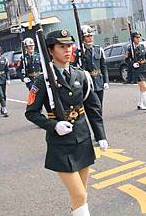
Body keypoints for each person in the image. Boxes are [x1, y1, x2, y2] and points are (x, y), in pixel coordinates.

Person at [25, 29, 108, 216]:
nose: (67, 50)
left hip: (82, 139)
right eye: (61, 47)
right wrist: (53, 125)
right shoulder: (43, 80)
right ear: (50, 51)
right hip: (61, 144)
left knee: (81, 195)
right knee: (79, 194)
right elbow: (31, 112)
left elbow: (93, 108)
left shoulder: (81, 75)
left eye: (69, 46)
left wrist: (100, 135)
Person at [125, 31, 146, 113]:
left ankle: (141, 104)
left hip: (144, 68)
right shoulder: (130, 48)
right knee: (144, 87)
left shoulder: (142, 46)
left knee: (142, 88)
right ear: (132, 38)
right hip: (137, 70)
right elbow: (126, 59)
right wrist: (132, 64)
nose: (138, 39)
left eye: (139, 37)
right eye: (136, 37)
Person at [80, 25, 109, 107]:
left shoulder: (99, 50)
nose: (90, 38)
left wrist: (106, 81)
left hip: (99, 82)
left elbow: (103, 67)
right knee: (91, 106)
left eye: (91, 36)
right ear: (82, 38)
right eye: (87, 36)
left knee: (99, 105)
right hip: (88, 83)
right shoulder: (80, 52)